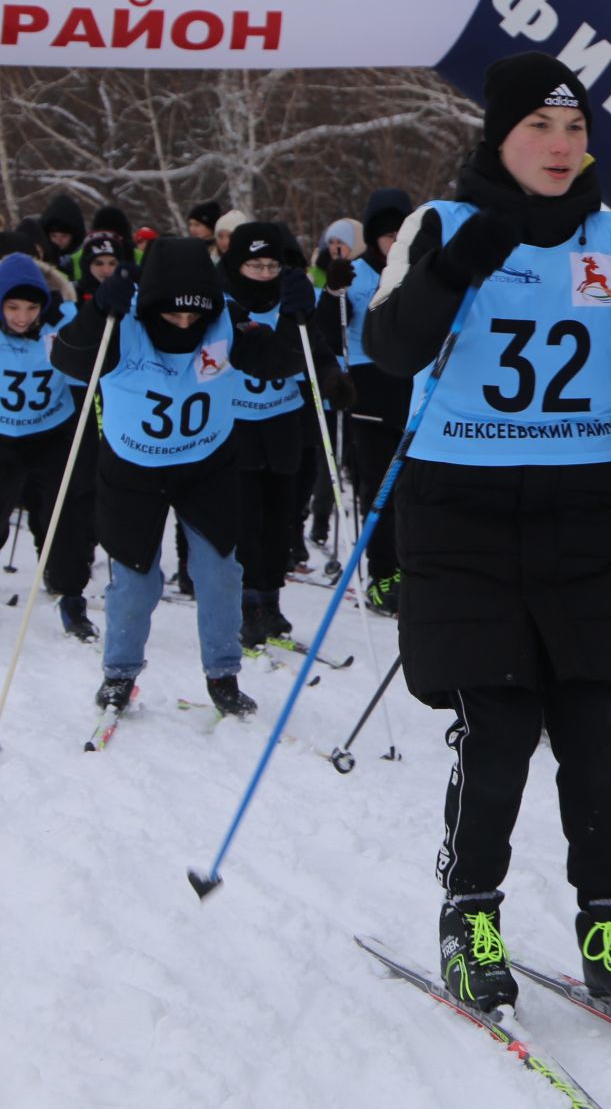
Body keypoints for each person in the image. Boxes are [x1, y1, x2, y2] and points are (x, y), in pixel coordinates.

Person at [366, 52, 611, 1018]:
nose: (560, 146)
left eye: (575, 128)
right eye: (539, 128)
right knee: (499, 725)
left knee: (597, 726)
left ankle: (604, 919)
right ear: (500, 138)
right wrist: (452, 268)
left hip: (581, 504)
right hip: (462, 505)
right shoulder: (443, 223)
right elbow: (390, 349)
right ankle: (472, 918)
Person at [52, 238, 309, 717]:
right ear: (151, 307)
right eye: (173, 316)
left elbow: (284, 361)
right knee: (135, 582)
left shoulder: (224, 323)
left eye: (194, 315)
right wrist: (92, 313)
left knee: (219, 573)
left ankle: (223, 675)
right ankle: (119, 674)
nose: (186, 324)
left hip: (205, 466)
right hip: (133, 470)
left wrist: (298, 317)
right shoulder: (120, 326)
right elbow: (67, 359)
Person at [221, 221, 350, 646]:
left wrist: (333, 379)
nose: (263, 273)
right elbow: (246, 354)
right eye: (254, 265)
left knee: (282, 519)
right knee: (244, 518)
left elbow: (318, 349)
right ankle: (245, 603)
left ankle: (271, 600)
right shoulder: (224, 302)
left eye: (271, 265)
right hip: (235, 421)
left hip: (283, 421)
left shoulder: (293, 299)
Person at [323, 188, 415, 613]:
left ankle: (412, 565)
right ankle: (383, 573)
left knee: (415, 488)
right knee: (379, 487)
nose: (394, 243)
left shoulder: (420, 269)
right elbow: (325, 333)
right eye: (387, 235)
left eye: (401, 233)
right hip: (367, 386)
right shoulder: (355, 274)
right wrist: (332, 293)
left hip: (411, 388)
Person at [0, 253, 98, 640]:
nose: (22, 317)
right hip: (3, 437)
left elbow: (84, 368)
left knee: (66, 517)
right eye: (12, 307)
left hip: (52, 435)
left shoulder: (63, 324)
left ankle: (71, 596)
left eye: (31, 307)